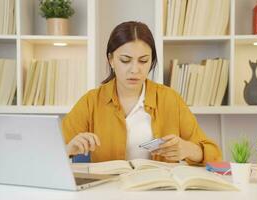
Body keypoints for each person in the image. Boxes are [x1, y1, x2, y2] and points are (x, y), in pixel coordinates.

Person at [62, 21, 222, 165]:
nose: (135, 69)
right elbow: (50, 151)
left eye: (143, 61)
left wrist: (189, 149)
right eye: (125, 60)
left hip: (158, 192)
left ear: (151, 62)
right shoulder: (91, 101)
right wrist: (69, 149)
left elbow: (215, 155)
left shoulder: (169, 99)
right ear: (111, 60)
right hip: (108, 192)